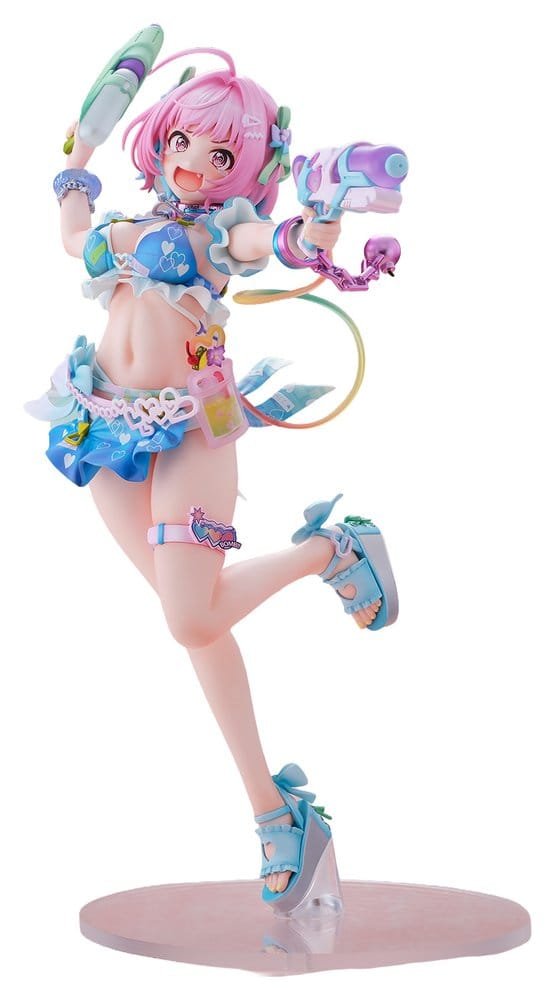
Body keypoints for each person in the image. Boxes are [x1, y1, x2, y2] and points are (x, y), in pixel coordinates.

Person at [26, 45, 391, 911]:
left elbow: (277, 241)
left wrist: (316, 230)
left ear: (249, 166)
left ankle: (331, 551)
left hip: (195, 425)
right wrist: (80, 155)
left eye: (221, 153)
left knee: (191, 615)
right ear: (160, 139)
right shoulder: (124, 226)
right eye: (183, 142)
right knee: (195, 625)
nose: (194, 164)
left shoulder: (219, 233)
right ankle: (276, 814)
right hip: (101, 424)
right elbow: (75, 236)